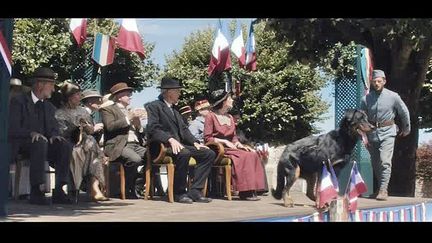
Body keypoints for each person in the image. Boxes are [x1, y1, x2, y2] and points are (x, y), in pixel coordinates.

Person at [9, 67, 72, 205]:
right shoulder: (19, 101)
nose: (53, 90)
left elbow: (53, 128)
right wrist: (31, 133)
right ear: (40, 85)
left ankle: (59, 189)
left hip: (43, 144)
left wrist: (55, 135)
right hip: (22, 143)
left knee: (64, 145)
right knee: (39, 142)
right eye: (51, 86)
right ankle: (36, 190)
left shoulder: (49, 107)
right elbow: (12, 128)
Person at [146, 77, 215, 204]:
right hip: (162, 146)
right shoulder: (154, 106)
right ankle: (179, 193)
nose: (179, 93)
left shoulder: (175, 111)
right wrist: (169, 139)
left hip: (179, 146)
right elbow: (153, 129)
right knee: (184, 153)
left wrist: (195, 142)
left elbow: (184, 130)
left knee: (208, 153)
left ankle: (195, 191)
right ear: (168, 92)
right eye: (177, 91)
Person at [204, 89, 266, 201]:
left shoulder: (230, 117)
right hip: (219, 148)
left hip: (231, 148)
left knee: (252, 154)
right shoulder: (210, 116)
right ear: (223, 102)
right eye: (229, 98)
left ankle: (252, 189)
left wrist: (239, 144)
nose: (232, 100)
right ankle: (244, 191)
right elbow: (207, 137)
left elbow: (233, 137)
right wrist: (224, 141)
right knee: (244, 157)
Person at [360, 69, 411, 201]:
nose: (376, 83)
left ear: (384, 81)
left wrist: (406, 128)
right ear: (371, 82)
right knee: (376, 163)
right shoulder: (366, 99)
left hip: (388, 132)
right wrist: (364, 136)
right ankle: (379, 188)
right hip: (372, 134)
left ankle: (383, 189)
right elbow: (361, 119)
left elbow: (404, 112)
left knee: (385, 161)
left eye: (379, 81)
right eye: (374, 81)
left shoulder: (393, 96)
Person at [55, 84, 108, 202]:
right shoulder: (60, 113)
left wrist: (89, 127)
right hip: (69, 144)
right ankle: (81, 188)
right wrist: (75, 127)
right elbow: (61, 133)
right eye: (77, 94)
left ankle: (94, 187)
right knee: (79, 153)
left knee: (91, 142)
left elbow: (90, 131)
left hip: (86, 142)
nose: (80, 97)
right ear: (69, 97)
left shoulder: (83, 111)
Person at [100, 82, 149, 199]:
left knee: (152, 157)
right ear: (119, 96)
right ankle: (127, 187)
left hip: (136, 144)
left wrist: (139, 126)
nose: (130, 96)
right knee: (135, 159)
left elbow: (140, 131)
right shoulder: (108, 109)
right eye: (127, 94)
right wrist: (128, 119)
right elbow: (110, 126)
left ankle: (137, 185)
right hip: (119, 145)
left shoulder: (131, 110)